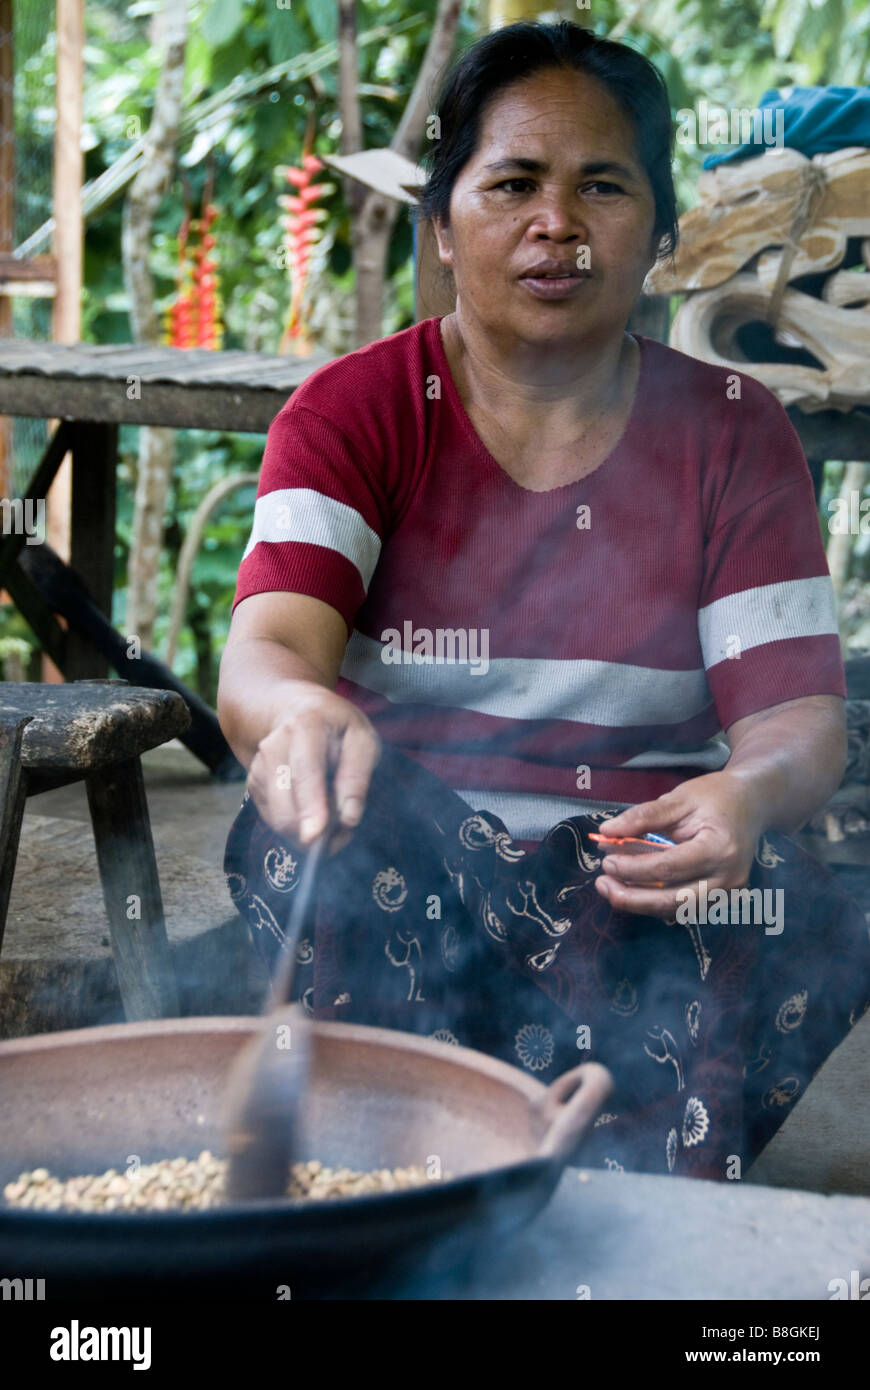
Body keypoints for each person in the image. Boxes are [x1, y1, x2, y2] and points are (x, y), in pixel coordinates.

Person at [218, 21, 870, 1180]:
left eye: (603, 187)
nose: (555, 223)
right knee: (300, 840)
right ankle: (383, 1177)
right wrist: (298, 716)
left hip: (631, 869)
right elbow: (268, 652)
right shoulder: (351, 413)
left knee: (795, 906)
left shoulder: (733, 434)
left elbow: (798, 721)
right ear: (442, 222)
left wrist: (743, 793)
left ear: (664, 234)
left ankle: (624, 1203)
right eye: (512, 182)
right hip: (415, 865)